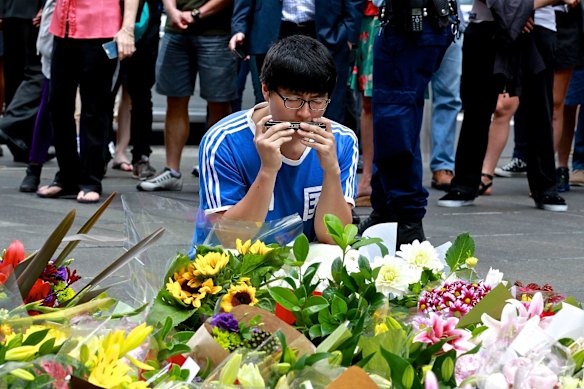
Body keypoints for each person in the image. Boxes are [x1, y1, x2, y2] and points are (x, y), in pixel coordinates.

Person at [192, 35, 358, 247]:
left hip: (301, 267)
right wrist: (268, 170)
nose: (305, 114)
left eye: (317, 101)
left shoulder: (342, 141)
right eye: (293, 100)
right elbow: (229, 239)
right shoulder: (223, 141)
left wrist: (331, 171)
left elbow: (335, 238)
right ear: (266, 91)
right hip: (229, 267)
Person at [438, 1, 574, 212]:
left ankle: (545, 188)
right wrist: (513, 14)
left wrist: (520, 11)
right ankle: (465, 185)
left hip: (539, 26)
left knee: (540, 109)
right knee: (477, 107)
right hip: (486, 23)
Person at [357, 0, 457, 245]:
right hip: (408, 23)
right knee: (392, 121)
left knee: (395, 121)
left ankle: (405, 221)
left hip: (413, 24)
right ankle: (389, 212)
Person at [36, 0, 138, 203]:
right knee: (58, 106)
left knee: (94, 109)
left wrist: (127, 28)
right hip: (62, 28)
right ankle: (67, 176)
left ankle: (91, 180)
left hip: (99, 29)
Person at [137, 0, 236, 192]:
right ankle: (171, 171)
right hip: (176, 30)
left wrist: (197, 13)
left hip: (216, 32)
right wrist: (172, 11)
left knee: (219, 104)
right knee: (174, 99)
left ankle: (215, 173)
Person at [229, 0, 363, 125]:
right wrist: (239, 27)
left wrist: (349, 32)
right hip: (270, 30)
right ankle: (270, 148)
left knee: (328, 103)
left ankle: (326, 149)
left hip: (327, 31)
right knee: (270, 103)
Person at [0, 0, 44, 162]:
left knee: (15, 76)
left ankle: (21, 145)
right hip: (32, 11)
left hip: (11, 11)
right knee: (38, 73)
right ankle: (11, 124)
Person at [349, 0, 379, 207]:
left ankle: (392, 180)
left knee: (404, 102)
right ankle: (367, 179)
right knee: (367, 102)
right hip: (369, 18)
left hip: (404, 20)